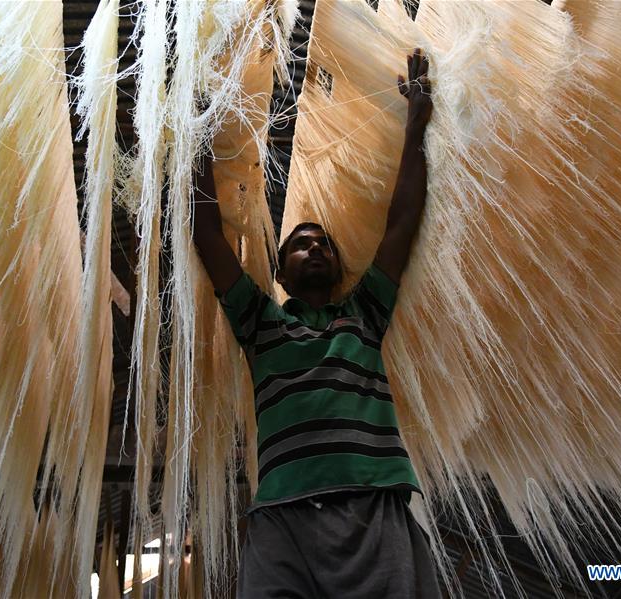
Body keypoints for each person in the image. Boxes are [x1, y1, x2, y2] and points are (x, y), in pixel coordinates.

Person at [193, 49, 437, 598]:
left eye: (323, 242)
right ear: (278, 271)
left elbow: (403, 219)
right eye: (301, 244)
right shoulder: (260, 322)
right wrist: (202, 130)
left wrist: (415, 126)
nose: (316, 247)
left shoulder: (365, 313)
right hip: (282, 513)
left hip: (374, 501)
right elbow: (206, 233)